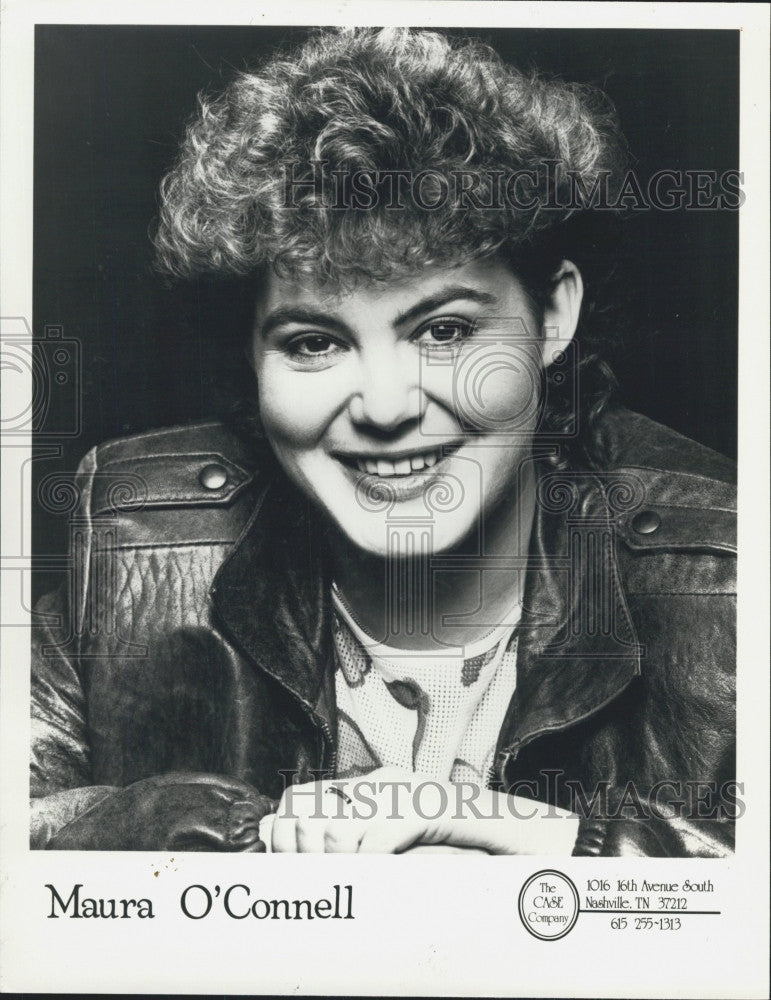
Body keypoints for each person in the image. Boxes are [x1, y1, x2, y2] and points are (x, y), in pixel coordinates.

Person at [30, 27, 736, 855]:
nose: (387, 406)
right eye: (314, 342)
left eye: (442, 330)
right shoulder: (132, 544)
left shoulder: (727, 577)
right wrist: (215, 832)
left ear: (552, 317)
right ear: (251, 352)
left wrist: (552, 843)